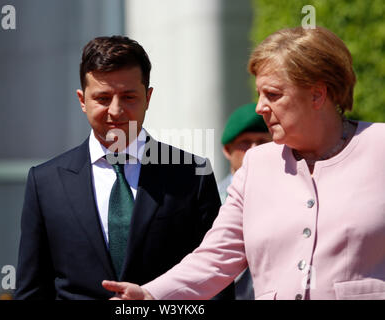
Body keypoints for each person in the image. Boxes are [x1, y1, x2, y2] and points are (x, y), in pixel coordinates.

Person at [102, 26, 385, 300]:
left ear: (317, 94)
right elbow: (216, 257)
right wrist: (152, 294)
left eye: (273, 94)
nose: (260, 106)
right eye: (260, 94)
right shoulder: (256, 165)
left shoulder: (379, 147)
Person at [14, 36, 233, 299]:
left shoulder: (192, 174)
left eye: (129, 97)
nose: (116, 111)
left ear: (148, 97)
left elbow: (215, 281)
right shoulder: (46, 183)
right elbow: (32, 291)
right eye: (103, 98)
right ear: (82, 100)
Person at [218, 103, 271, 300]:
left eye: (261, 141)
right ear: (227, 149)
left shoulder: (290, 194)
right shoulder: (210, 198)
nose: (254, 150)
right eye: (245, 142)